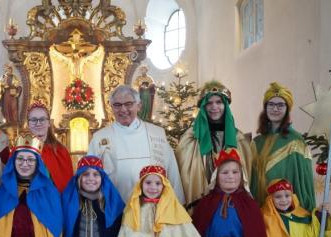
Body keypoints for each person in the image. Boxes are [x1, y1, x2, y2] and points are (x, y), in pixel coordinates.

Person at [88, 85, 185, 203]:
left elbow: (172, 171)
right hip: (113, 208)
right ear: (111, 107)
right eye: (117, 105)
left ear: (138, 105)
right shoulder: (100, 138)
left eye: (128, 104)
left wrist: (177, 203)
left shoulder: (156, 133)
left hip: (151, 207)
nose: (123, 109)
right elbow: (90, 176)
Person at [175, 80, 253, 210]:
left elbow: (246, 174)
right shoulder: (191, 137)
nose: (214, 107)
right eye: (209, 103)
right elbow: (184, 174)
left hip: (231, 205)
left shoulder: (238, 138)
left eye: (219, 102)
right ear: (203, 106)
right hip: (200, 203)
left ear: (226, 105)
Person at [249, 82, 315, 210]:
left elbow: (303, 183)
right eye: (271, 104)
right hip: (261, 211)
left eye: (280, 105)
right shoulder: (256, 142)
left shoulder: (296, 141)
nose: (275, 109)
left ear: (287, 109)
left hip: (286, 211)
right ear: (265, 107)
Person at [26, 100, 74, 192]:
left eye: (42, 119)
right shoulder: (19, 150)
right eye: (33, 120)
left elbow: (68, 187)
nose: (38, 123)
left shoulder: (61, 151)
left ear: (49, 123)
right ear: (28, 124)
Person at [0, 63, 23, 127]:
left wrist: (17, 93)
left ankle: (14, 121)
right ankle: (7, 121)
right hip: (6, 94)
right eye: (7, 69)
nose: (8, 71)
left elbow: (19, 86)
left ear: (11, 70)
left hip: (13, 94)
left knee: (13, 108)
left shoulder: (14, 77)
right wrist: (3, 86)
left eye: (10, 69)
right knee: (6, 108)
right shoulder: (3, 77)